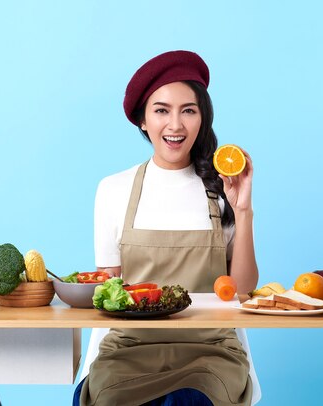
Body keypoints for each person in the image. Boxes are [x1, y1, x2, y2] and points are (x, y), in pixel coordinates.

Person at [75, 50, 260, 406]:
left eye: (188, 110)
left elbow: (243, 290)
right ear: (143, 120)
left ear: (202, 118)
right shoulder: (113, 190)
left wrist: (244, 209)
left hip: (210, 349)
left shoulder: (222, 188)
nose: (175, 125)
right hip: (129, 347)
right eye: (161, 110)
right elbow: (108, 291)